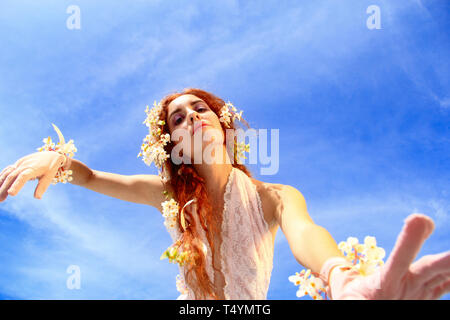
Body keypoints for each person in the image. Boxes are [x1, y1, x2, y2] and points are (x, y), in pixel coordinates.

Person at [0, 88, 449, 300]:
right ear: (172, 146)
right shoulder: (168, 196)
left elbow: (306, 233)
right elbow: (92, 177)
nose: (193, 117)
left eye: (201, 109)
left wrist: (341, 276)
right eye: (178, 119)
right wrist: (56, 160)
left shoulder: (273, 195)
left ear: (221, 124)